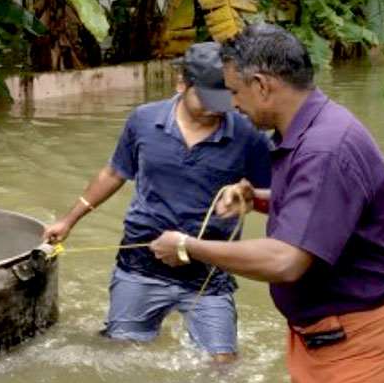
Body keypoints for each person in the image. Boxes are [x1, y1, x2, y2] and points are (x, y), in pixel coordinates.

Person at [150, 24, 384, 383]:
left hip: (360, 343)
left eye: (235, 92)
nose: (232, 105)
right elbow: (325, 206)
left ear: (262, 85)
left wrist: (187, 246)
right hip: (324, 339)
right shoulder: (307, 130)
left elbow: (286, 260)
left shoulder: (324, 147)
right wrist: (258, 198)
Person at [44, 42, 271, 361]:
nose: (218, 107)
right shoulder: (144, 121)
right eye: (208, 97)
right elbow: (113, 173)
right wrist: (68, 221)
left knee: (222, 366)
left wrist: (247, 197)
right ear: (182, 84)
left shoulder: (249, 133)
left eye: (227, 97)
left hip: (208, 271)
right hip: (142, 262)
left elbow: (275, 196)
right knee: (120, 357)